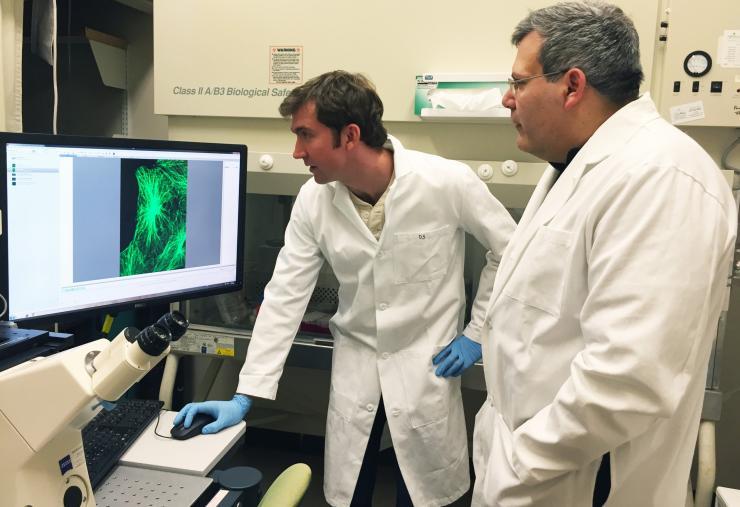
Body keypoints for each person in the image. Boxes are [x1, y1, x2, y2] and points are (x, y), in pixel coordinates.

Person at [174, 70, 516, 506]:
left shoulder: (445, 182)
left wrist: (476, 334)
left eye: (305, 135)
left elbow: (511, 251)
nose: (296, 151)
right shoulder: (314, 200)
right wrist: (244, 397)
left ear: (350, 135)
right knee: (350, 492)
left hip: (426, 365)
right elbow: (284, 296)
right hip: (357, 363)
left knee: (424, 495)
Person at [471, 2, 737, 506]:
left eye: (519, 82)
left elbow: (629, 378)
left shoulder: (661, 177)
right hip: (533, 472)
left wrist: (518, 463)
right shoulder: (577, 165)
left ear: (572, 86)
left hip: (579, 481)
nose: (508, 99)